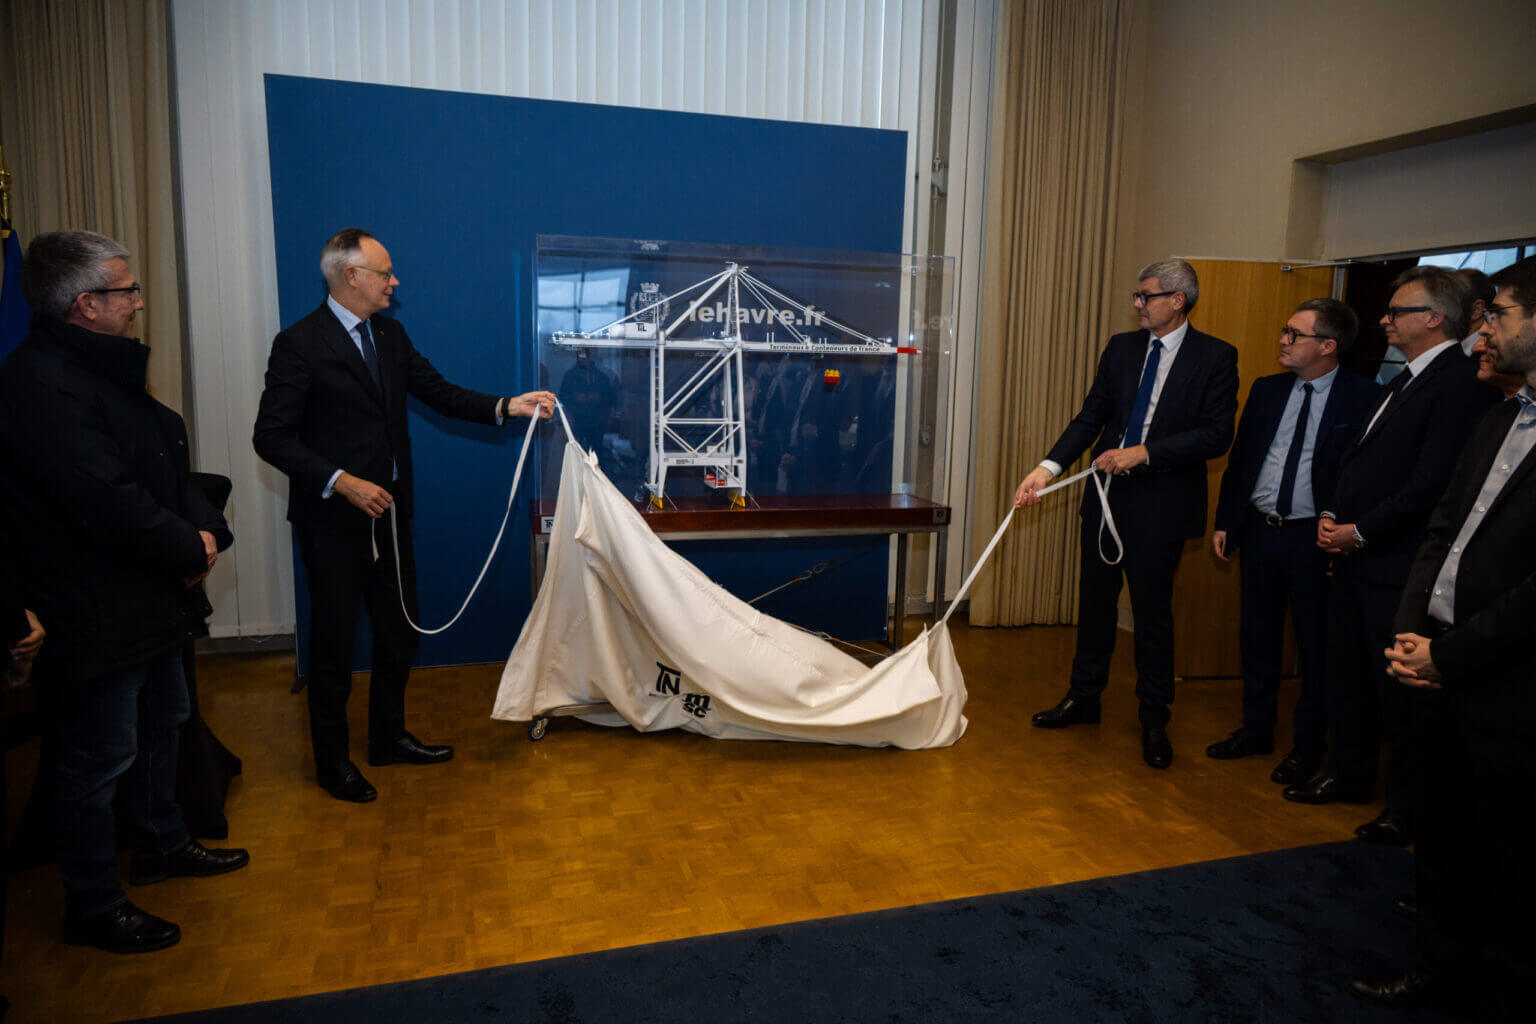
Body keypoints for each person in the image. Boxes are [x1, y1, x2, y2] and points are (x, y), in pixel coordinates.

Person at [0, 230, 248, 954]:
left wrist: (204, 534)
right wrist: (188, 544)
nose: (139, 303)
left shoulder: (100, 369)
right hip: (95, 608)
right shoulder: (40, 383)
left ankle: (162, 845)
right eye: (127, 291)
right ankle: (94, 902)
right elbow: (102, 496)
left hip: (150, 600)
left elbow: (166, 462)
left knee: (162, 727)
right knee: (97, 758)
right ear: (86, 304)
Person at [253, 228, 555, 803]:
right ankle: (332, 762)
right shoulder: (300, 344)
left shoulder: (389, 335)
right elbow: (271, 437)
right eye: (385, 272)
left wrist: (506, 406)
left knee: (399, 633)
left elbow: (439, 392)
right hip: (334, 525)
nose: (395, 282)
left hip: (390, 516)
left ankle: (388, 739)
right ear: (351, 277)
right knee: (335, 647)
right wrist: (341, 482)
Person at [1348, 255, 1536, 1017]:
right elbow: (1443, 532)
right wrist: (1411, 635)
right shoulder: (1501, 415)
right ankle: (1439, 968)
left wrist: (1449, 654)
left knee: (1511, 856)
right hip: (1438, 660)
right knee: (1449, 838)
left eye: (1501, 313)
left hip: (1511, 684)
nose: (1484, 329)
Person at [1282, 267, 1497, 847]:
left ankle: (1405, 808)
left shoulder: (1457, 382)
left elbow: (1430, 484)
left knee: (1396, 695)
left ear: (1433, 319)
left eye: (1396, 311)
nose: (1383, 319)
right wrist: (1331, 516)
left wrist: (1360, 533)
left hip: (1394, 565)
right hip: (1356, 557)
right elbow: (1358, 464)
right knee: (1346, 674)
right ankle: (1349, 775)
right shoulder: (1401, 379)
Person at [1014, 258, 1238, 769]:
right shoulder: (1122, 347)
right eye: (1137, 297)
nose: (1137, 305)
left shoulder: (1216, 357)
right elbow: (1091, 416)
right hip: (1105, 498)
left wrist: (1145, 452)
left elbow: (1216, 434)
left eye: (1146, 296)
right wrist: (1047, 469)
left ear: (1177, 301)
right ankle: (1083, 697)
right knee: (1094, 604)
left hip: (1162, 505)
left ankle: (1154, 717)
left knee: (1152, 615)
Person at [1207, 299, 1378, 785]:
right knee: (1256, 637)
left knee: (1316, 646)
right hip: (1261, 532)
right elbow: (1242, 461)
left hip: (1315, 542)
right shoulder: (1266, 390)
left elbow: (1364, 477)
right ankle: (1256, 729)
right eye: (1284, 330)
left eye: (1294, 334)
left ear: (1328, 346)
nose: (1282, 340)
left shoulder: (1364, 399)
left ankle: (1308, 746)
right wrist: (1227, 520)